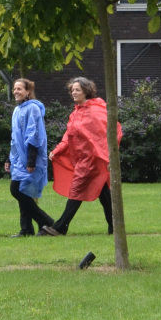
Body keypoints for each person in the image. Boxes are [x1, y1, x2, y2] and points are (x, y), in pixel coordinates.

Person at [49, 76, 122, 235]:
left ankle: (60, 227)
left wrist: (106, 157)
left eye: (77, 90)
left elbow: (106, 135)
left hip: (93, 160)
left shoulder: (95, 111)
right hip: (82, 158)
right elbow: (69, 135)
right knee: (104, 194)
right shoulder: (76, 112)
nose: (74, 93)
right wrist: (58, 149)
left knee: (77, 189)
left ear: (86, 91)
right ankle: (115, 227)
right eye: (72, 90)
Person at [4, 78, 57, 237]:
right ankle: (26, 229)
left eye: (19, 89)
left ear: (28, 91)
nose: (15, 91)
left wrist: (31, 160)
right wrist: (9, 158)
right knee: (23, 191)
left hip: (29, 158)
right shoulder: (17, 110)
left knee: (16, 190)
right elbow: (15, 138)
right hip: (18, 158)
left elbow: (34, 135)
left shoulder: (33, 108)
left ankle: (46, 221)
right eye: (14, 88)